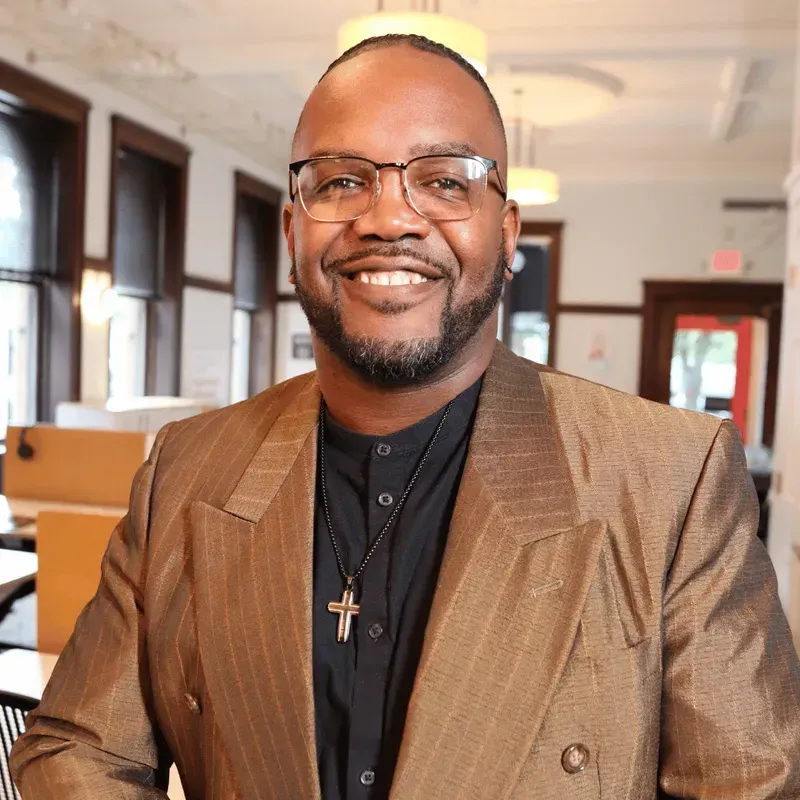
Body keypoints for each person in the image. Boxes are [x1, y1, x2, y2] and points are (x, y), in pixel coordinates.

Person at [11, 33, 800, 800]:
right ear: (293, 232)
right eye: (341, 181)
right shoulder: (186, 468)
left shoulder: (668, 478)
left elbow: (743, 786)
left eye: (446, 180)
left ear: (506, 230)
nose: (389, 218)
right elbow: (74, 745)